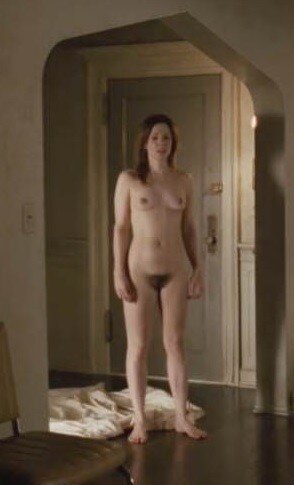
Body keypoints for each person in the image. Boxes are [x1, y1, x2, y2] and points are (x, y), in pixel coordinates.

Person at [113, 113, 208, 444]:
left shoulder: (184, 180)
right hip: (139, 270)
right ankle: (139, 420)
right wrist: (118, 271)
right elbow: (121, 228)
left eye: (166, 137)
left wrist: (198, 268)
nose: (161, 143)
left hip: (175, 270)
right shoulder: (129, 180)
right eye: (155, 137)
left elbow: (190, 228)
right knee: (138, 346)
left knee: (175, 343)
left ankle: (181, 416)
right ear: (144, 142)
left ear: (173, 143)